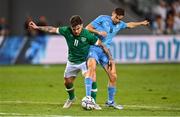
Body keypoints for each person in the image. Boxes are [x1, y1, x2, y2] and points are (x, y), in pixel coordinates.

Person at [28, 15, 112, 110]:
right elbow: (51, 29)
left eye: (78, 28)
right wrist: (37, 27)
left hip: (84, 62)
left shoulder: (87, 34)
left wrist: (110, 58)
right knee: (67, 82)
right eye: (74, 29)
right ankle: (71, 98)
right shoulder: (66, 31)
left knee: (92, 79)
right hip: (72, 62)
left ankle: (93, 102)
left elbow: (102, 45)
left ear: (82, 25)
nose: (76, 31)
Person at [86, 8, 149, 110]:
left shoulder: (120, 24)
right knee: (92, 69)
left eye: (120, 19)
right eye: (116, 18)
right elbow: (87, 28)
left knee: (113, 76)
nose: (117, 20)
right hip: (94, 48)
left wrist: (141, 23)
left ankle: (110, 102)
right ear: (113, 14)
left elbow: (130, 24)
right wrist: (98, 32)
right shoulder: (102, 18)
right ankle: (90, 100)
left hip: (105, 52)